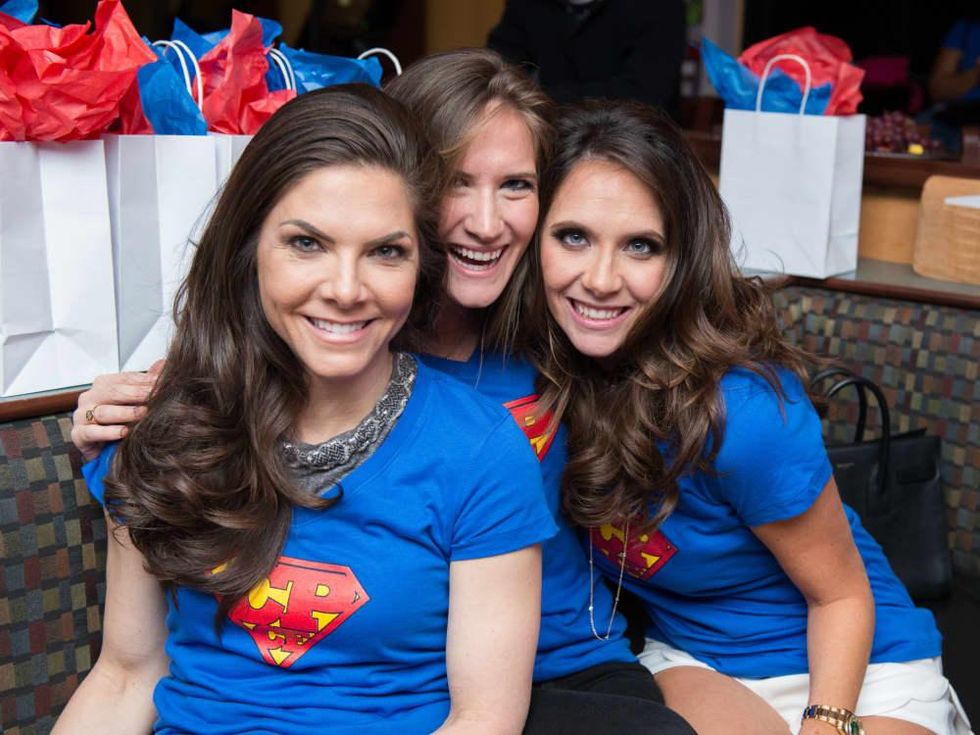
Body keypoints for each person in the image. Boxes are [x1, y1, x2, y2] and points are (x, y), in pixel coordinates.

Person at [70, 50, 696, 734]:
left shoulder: (536, 368)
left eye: (384, 252)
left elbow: (485, 715)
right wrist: (123, 417)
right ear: (249, 251)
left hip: (550, 667)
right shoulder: (164, 422)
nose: (346, 287)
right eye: (307, 243)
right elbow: (126, 672)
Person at [527, 100, 973, 735]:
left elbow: (841, 597)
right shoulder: (532, 387)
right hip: (697, 660)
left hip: (857, 665)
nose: (601, 278)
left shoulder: (742, 409)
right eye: (574, 236)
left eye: (641, 246)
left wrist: (827, 724)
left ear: (681, 261)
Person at [487, 0, 686, 112]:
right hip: (548, 135)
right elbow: (497, 67)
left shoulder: (660, 6)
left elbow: (647, 93)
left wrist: (542, 98)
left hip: (634, 142)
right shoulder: (526, 6)